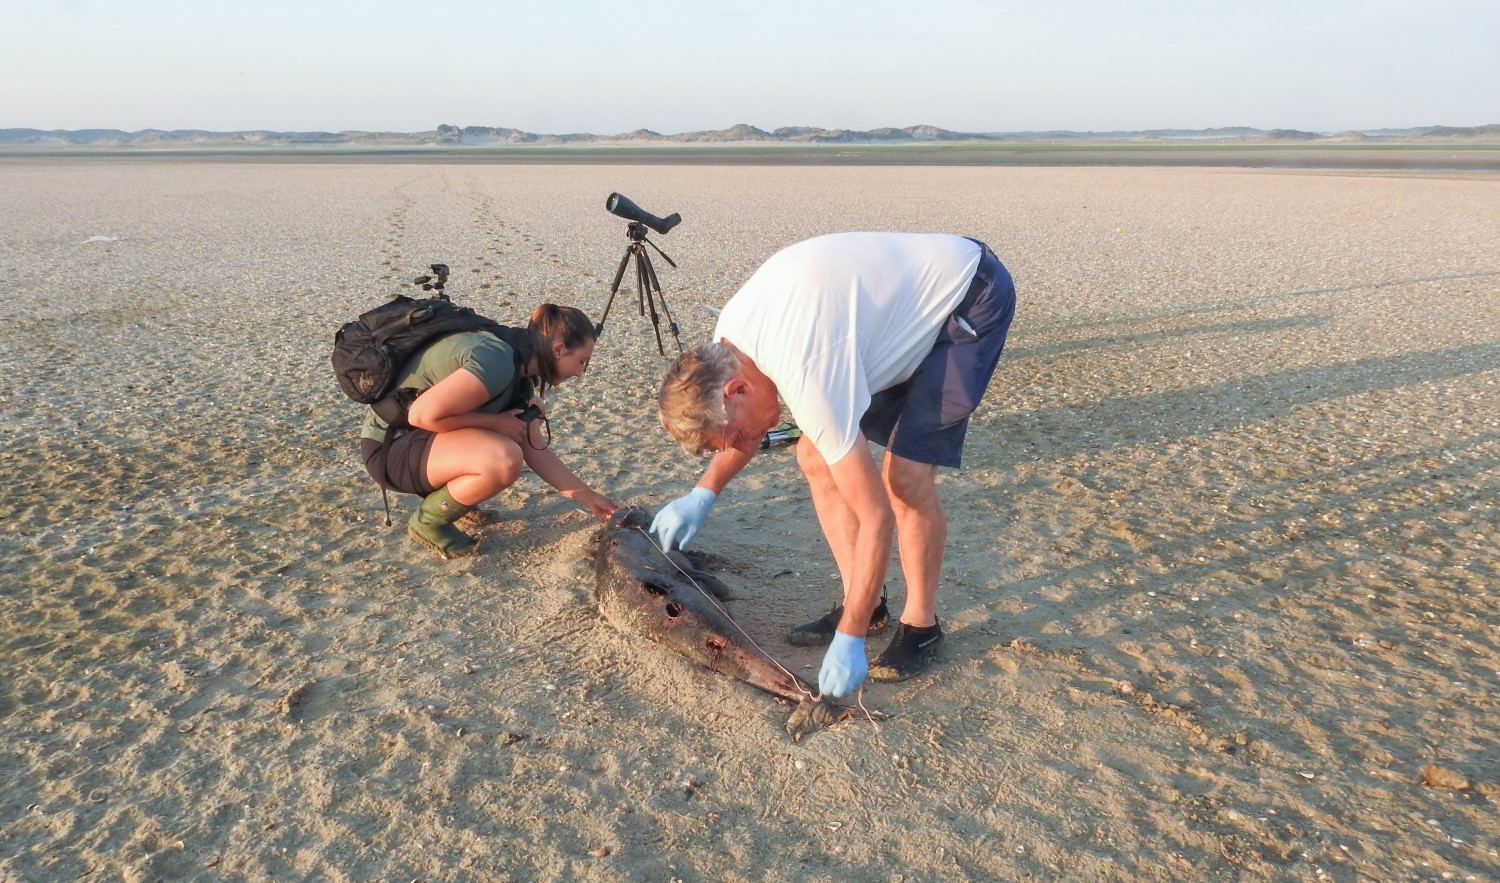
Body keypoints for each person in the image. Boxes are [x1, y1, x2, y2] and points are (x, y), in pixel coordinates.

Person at [653, 232, 1015, 698]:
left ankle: (921, 625)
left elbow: (875, 517)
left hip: (965, 299)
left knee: (903, 479)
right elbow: (753, 426)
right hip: (878, 322)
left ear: (735, 392)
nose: (747, 446)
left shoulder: (807, 372)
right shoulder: (731, 341)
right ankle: (864, 603)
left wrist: (849, 640)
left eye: (737, 437)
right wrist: (703, 493)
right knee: (813, 455)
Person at [359, 303, 619, 558]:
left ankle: (458, 499)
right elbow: (420, 414)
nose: (581, 372)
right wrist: (496, 423)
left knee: (529, 413)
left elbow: (537, 451)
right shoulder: (497, 360)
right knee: (504, 458)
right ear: (559, 350)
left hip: (420, 442)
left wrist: (590, 498)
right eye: (582, 361)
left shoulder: (521, 367)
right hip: (390, 450)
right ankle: (428, 522)